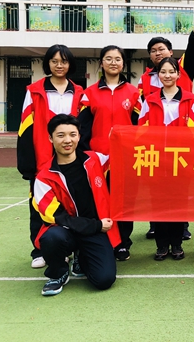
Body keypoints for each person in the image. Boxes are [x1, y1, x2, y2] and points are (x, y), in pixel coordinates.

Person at [138, 2, 194, 240]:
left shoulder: (183, 69)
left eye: (162, 49)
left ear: (171, 52)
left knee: (181, 187)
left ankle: (181, 224)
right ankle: (155, 224)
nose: (158, 53)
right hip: (155, 146)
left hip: (181, 145)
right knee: (154, 188)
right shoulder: (144, 80)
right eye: (153, 50)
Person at [33, 114, 120, 296]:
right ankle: (58, 273)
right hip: (68, 231)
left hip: (94, 231)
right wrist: (96, 225)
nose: (67, 140)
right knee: (51, 238)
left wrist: (122, 138)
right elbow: (58, 217)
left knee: (104, 279)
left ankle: (82, 256)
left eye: (72, 134)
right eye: (61, 135)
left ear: (79, 136)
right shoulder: (44, 178)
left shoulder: (94, 160)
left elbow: (122, 159)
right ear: (50, 138)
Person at [17, 44, 84, 269]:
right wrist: (27, 164)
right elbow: (25, 128)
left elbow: (83, 129)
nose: (59, 65)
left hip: (71, 159)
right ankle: (40, 250)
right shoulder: (34, 91)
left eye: (63, 61)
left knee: (71, 204)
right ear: (48, 64)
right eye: (54, 61)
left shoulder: (79, 92)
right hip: (42, 159)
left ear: (70, 64)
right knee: (39, 205)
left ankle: (69, 249)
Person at [78, 45, 141, 262]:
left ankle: (123, 243)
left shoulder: (134, 94)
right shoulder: (89, 94)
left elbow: (139, 128)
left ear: (123, 63)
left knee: (124, 202)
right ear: (101, 63)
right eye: (108, 58)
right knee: (98, 202)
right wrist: (87, 155)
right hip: (98, 158)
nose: (113, 62)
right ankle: (101, 241)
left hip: (125, 158)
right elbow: (83, 128)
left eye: (117, 59)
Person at [139, 57, 194, 261]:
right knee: (158, 204)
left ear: (178, 74)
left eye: (171, 71)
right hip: (156, 160)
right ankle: (161, 246)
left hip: (181, 161)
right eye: (163, 72)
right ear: (158, 75)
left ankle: (176, 245)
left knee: (178, 203)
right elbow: (142, 129)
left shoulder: (191, 100)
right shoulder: (149, 100)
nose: (167, 75)